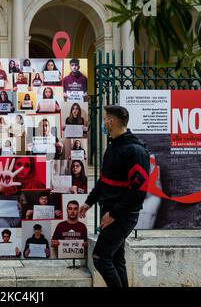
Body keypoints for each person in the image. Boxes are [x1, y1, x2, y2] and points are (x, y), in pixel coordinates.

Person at [79, 105, 150, 288]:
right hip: (111, 212)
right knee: (117, 260)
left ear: (111, 121)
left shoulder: (135, 151)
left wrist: (113, 215)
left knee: (100, 258)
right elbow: (104, 180)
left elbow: (138, 192)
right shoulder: (113, 147)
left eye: (104, 119)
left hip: (122, 216)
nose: (103, 123)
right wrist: (89, 202)